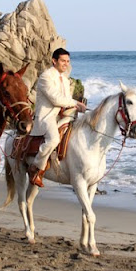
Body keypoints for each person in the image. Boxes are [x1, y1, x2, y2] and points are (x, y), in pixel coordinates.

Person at [28, 48, 86, 187]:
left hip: (62, 117)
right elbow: (56, 99)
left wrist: (77, 108)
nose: (66, 64)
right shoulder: (45, 77)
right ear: (54, 61)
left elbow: (65, 101)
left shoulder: (65, 80)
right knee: (54, 139)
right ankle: (35, 167)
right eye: (63, 61)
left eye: (68, 61)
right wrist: (76, 103)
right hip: (47, 117)